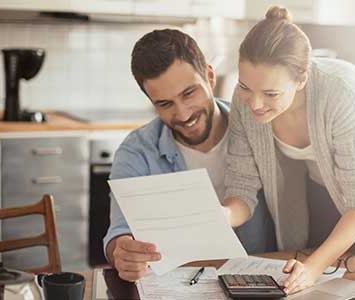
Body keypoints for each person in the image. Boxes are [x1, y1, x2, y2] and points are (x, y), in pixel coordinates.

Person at [221, 6, 355, 294]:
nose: (254, 103)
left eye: (270, 94)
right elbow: (241, 186)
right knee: (319, 273)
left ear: (301, 78)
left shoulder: (343, 93)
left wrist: (314, 268)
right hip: (321, 181)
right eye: (245, 87)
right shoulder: (245, 101)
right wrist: (222, 216)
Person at [103, 29, 276, 282]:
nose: (183, 114)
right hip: (178, 284)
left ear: (209, 75)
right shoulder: (137, 151)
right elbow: (119, 233)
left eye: (188, 93)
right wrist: (123, 252)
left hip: (260, 280)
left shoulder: (257, 129)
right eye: (165, 104)